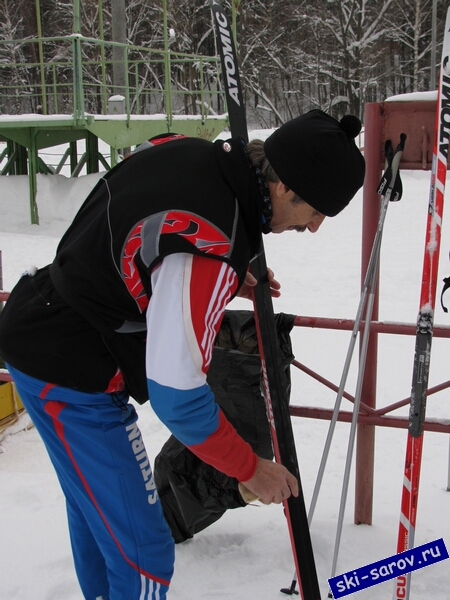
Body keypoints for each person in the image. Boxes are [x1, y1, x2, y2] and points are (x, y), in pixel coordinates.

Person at [0, 109, 365, 600]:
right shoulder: (210, 246)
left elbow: (142, 231)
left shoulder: (190, 150)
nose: (315, 226)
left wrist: (218, 279)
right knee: (144, 554)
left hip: (43, 322)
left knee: (100, 519)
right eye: (317, 211)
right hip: (72, 371)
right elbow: (178, 396)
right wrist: (252, 469)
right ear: (284, 186)